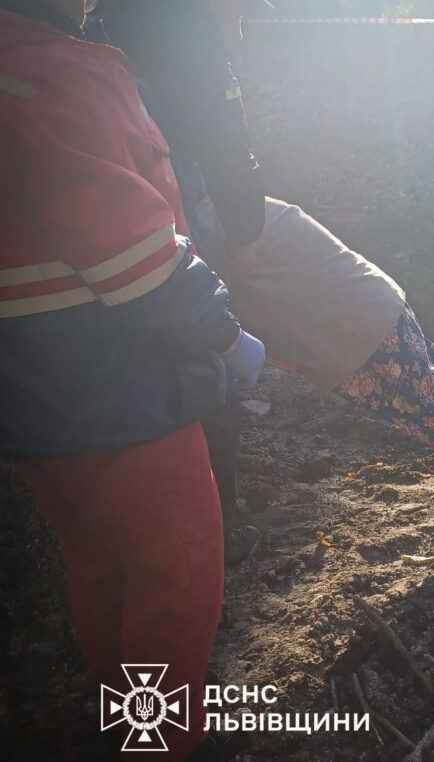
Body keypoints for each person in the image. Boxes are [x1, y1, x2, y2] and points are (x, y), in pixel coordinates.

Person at [89, 0, 434, 536]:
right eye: (241, 9)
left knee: (428, 397)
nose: (246, 20)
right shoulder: (231, 176)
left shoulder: (218, 211)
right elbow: (234, 173)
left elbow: (244, 255)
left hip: (351, 319)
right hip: (365, 299)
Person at [0, 1, 265, 758]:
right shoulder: (54, 72)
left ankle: (126, 710)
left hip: (41, 404)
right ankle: (159, 742)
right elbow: (137, 257)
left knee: (99, 557)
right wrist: (226, 334)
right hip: (118, 391)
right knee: (179, 573)